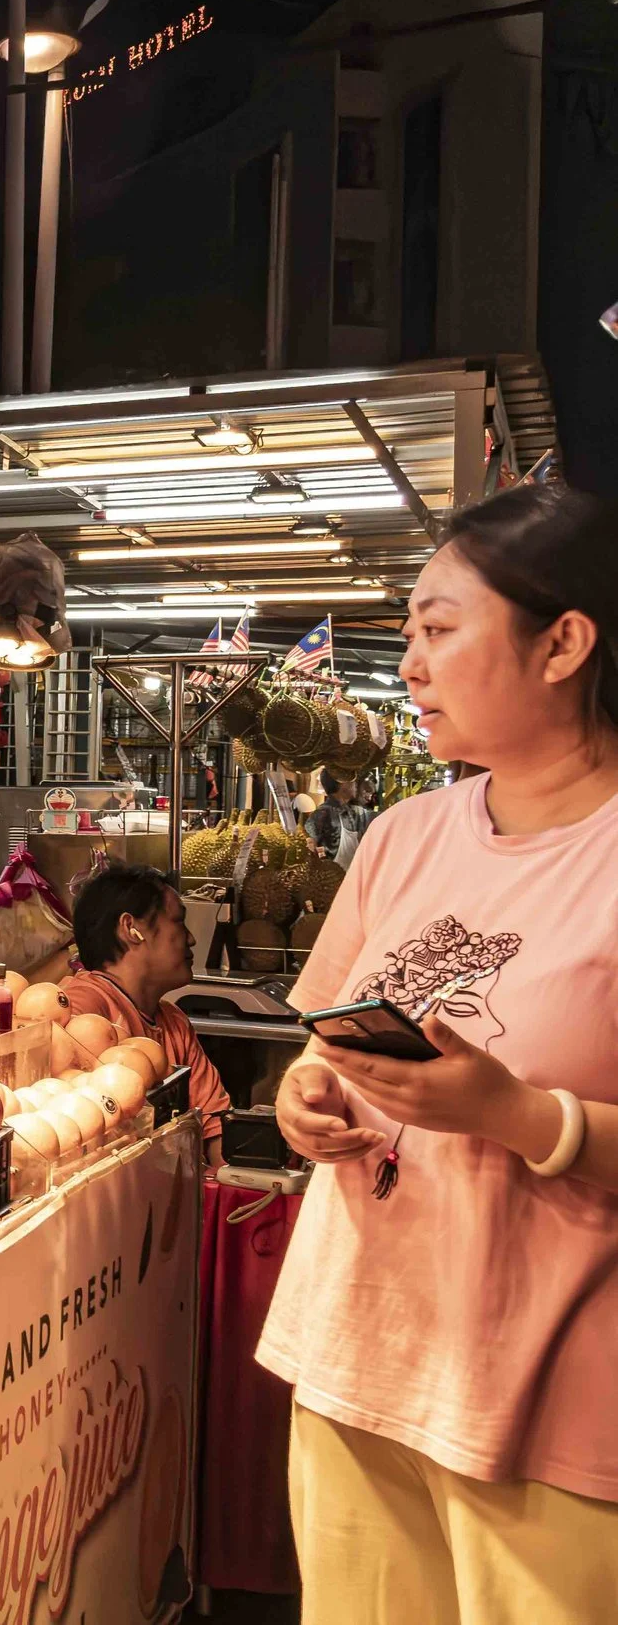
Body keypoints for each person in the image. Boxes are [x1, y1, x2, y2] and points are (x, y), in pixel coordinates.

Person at [263, 483, 618, 1620]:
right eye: (407, 632)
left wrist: (517, 1112)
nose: (409, 661)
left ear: (561, 641)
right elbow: (313, 1052)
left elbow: (516, 1109)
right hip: (354, 1357)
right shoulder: (404, 835)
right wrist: (301, 1100)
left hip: (546, 1406)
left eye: (439, 627)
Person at [59, 863, 233, 1154]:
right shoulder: (84, 1003)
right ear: (131, 929)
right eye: (178, 921)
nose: (191, 938)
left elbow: (215, 1134)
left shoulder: (174, 1023)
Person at [305, 771, 371, 864]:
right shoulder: (321, 814)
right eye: (352, 780)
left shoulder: (353, 812)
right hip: (331, 876)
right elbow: (309, 849)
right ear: (341, 783)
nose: (355, 784)